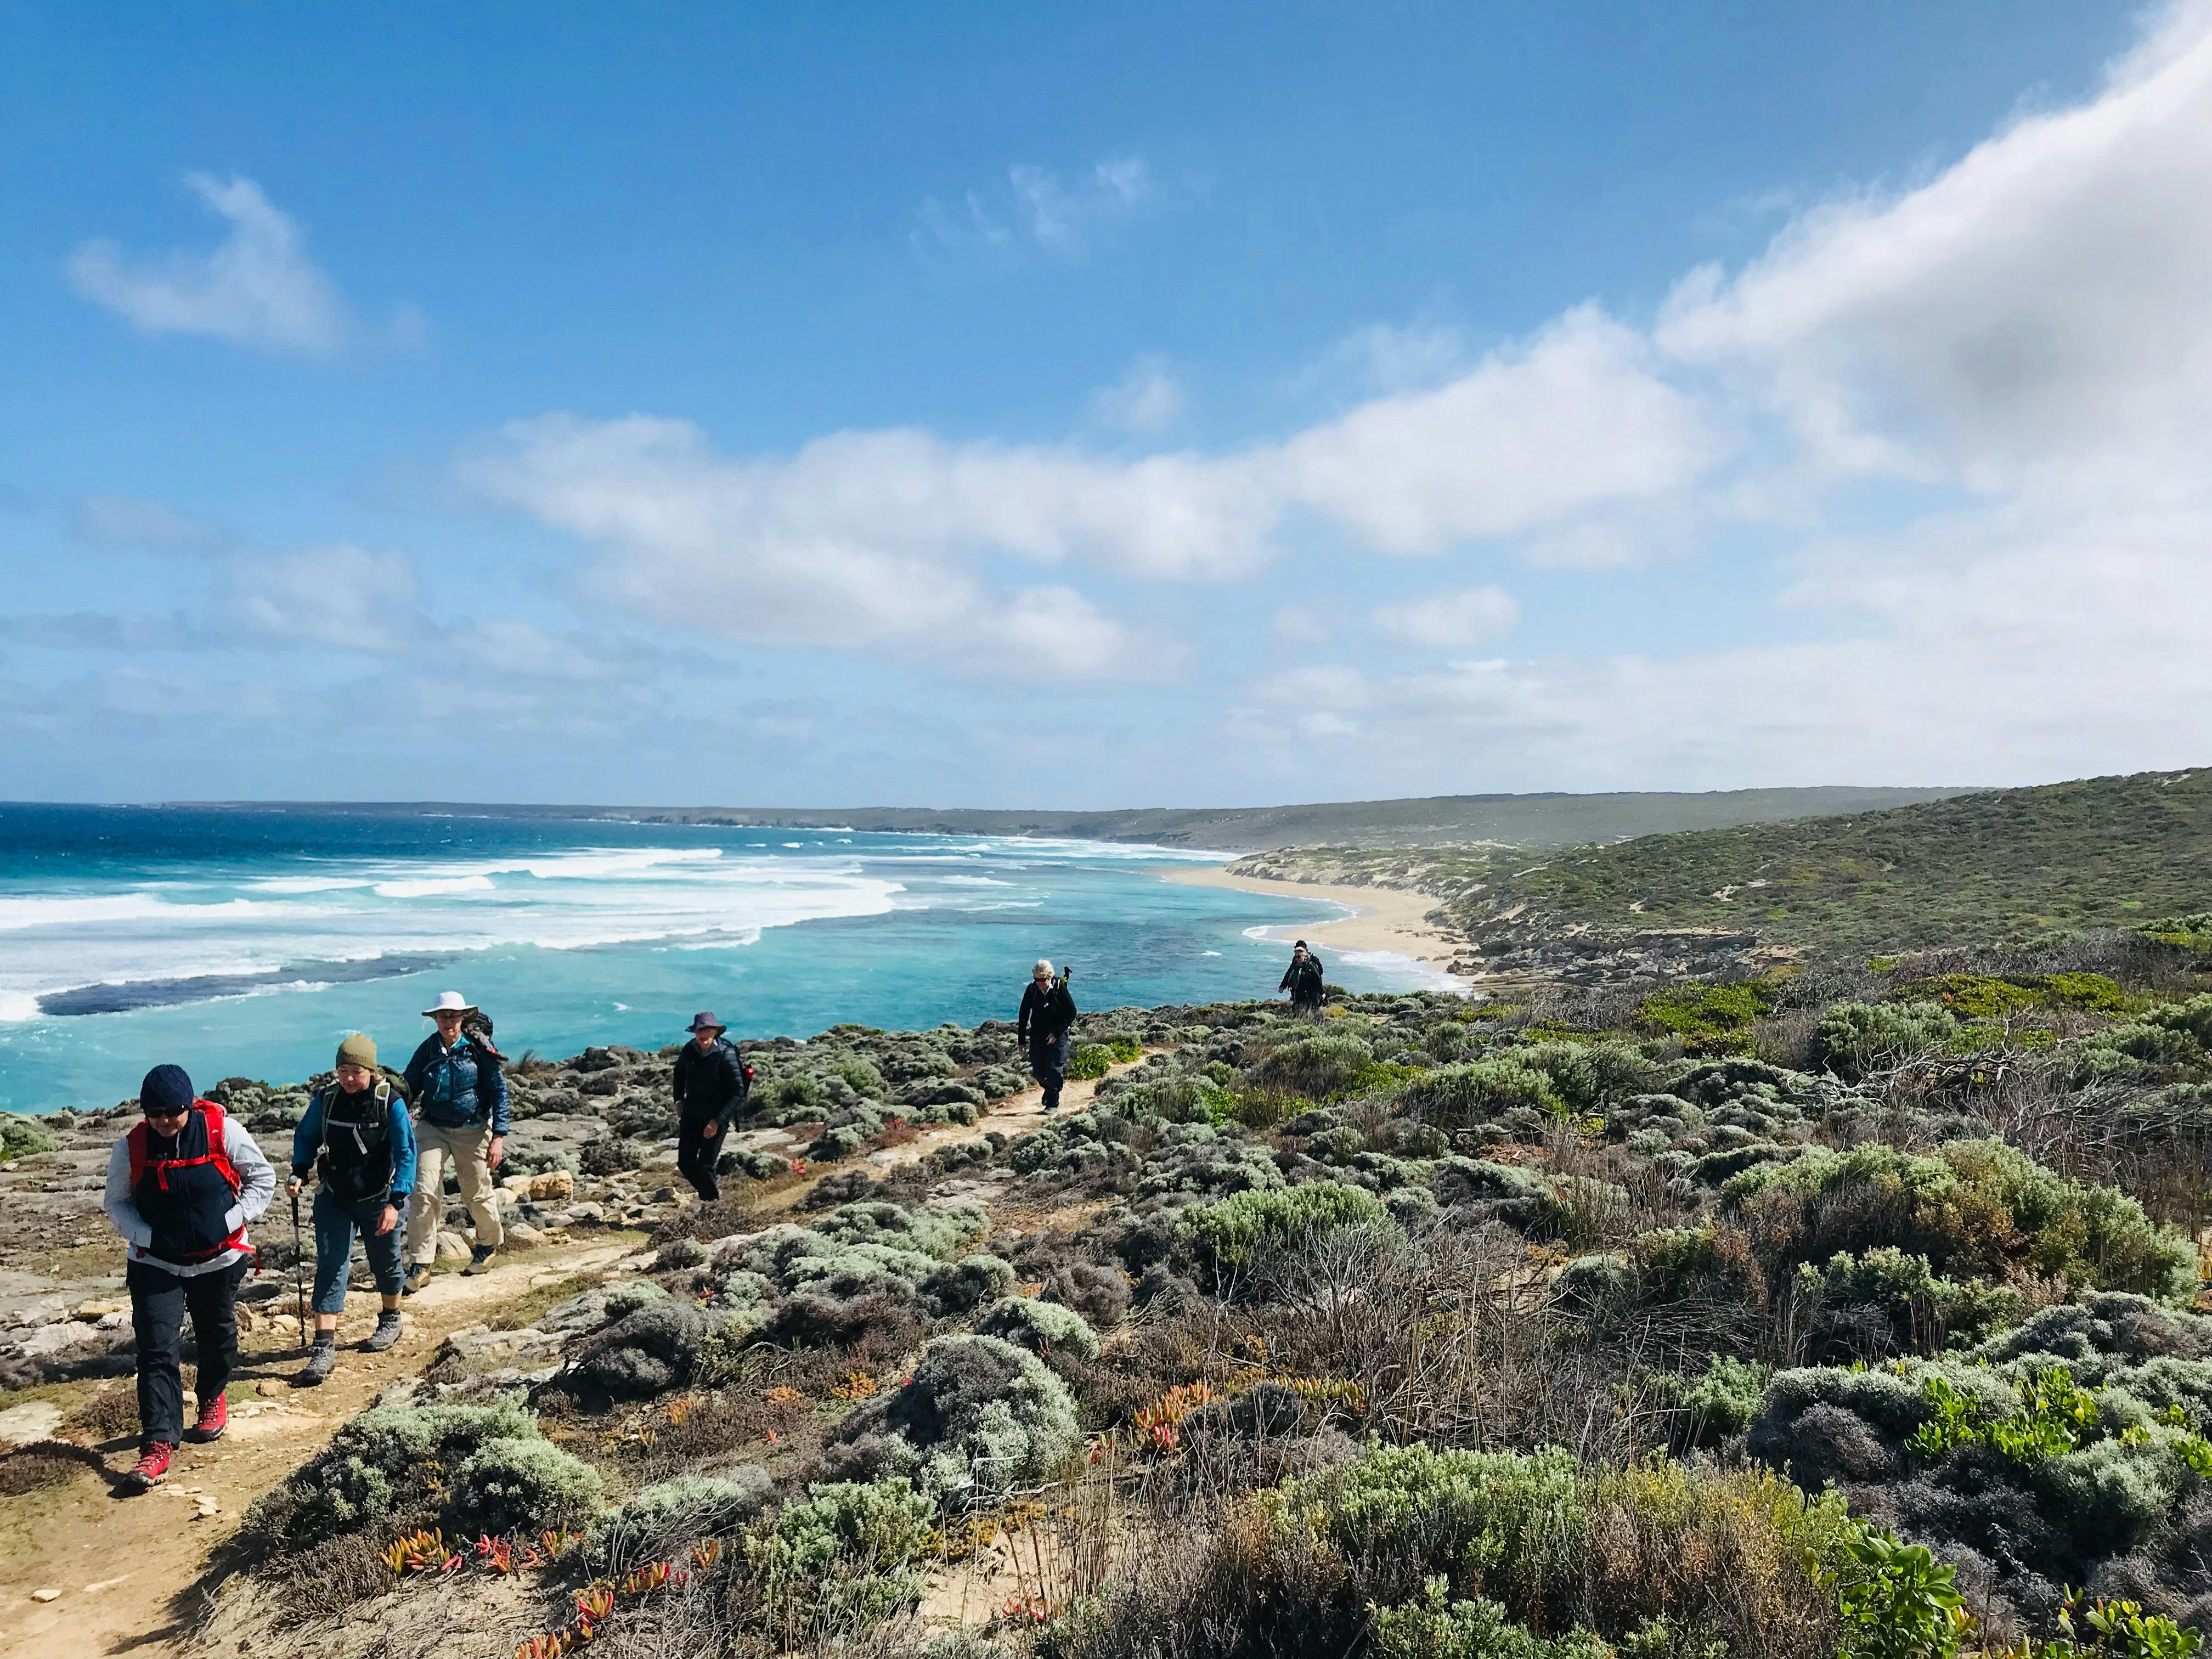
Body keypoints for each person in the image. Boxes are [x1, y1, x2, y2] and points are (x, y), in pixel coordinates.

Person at [101, 1063, 276, 1492]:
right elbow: (117, 1202)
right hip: (155, 1263)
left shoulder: (222, 1131)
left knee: (217, 1335)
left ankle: (212, 1394)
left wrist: (230, 1221)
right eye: (154, 1113)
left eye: (173, 1112)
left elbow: (262, 1178)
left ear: (190, 1106)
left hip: (219, 1259)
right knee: (156, 1350)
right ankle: (158, 1444)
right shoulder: (132, 1147)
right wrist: (147, 1237)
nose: (164, 1121)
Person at [287, 1034, 416, 1384]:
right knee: (331, 1265)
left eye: (356, 1072)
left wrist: (396, 1203)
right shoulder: (327, 1100)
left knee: (386, 1262)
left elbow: (406, 1153)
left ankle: (391, 1317)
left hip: (379, 1197)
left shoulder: (389, 1103)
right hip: (335, 1196)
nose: (347, 1078)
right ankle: (323, 1347)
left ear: (370, 1071)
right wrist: (299, 1171)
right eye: (342, 1070)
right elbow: (307, 1136)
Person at [402, 990, 508, 1290]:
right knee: (423, 1190)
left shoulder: (478, 1049)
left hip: (473, 1128)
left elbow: (499, 1092)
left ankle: (488, 1246)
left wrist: (498, 1136)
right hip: (432, 1127)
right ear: (435, 1020)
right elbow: (409, 1086)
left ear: (462, 1018)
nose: (448, 1022)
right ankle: (421, 1264)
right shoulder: (427, 1050)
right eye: (442, 1017)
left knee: (476, 1191)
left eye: (453, 1016)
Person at [671, 1011, 751, 1202]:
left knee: (706, 1165)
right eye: (700, 1030)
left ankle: (712, 1204)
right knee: (685, 1163)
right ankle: (712, 1198)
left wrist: (717, 1121)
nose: (703, 1034)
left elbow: (738, 1092)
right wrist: (678, 1099)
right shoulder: (690, 1050)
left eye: (707, 1030)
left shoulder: (726, 1055)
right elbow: (679, 1073)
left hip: (717, 1115)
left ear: (715, 1031)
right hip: (692, 1113)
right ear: (694, 1032)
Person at [1017, 959, 1077, 1111]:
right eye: (1036, 979)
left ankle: (1053, 1103)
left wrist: (1056, 1033)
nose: (1039, 983)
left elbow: (1072, 1012)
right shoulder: (1032, 989)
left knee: (1053, 1068)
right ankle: (1050, 1089)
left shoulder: (1059, 987)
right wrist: (1021, 1041)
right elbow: (1023, 1015)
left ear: (1049, 976)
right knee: (1038, 1071)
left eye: (1042, 979)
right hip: (1038, 1034)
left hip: (1059, 1034)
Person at [1280, 940, 1326, 1013]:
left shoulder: (1312, 963)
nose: (1297, 959)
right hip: (1298, 992)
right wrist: (1283, 986)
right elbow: (1290, 973)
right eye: (1296, 956)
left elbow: (1318, 977)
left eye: (1299, 957)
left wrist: (1322, 992)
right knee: (1297, 1011)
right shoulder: (1295, 961)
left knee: (1311, 1012)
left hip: (1311, 993)